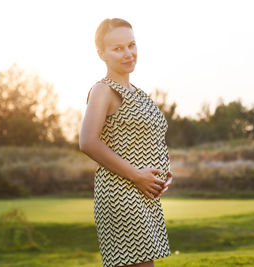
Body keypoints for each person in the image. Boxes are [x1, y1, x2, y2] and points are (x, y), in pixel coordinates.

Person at [79, 18, 173, 267]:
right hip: (122, 193)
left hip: (143, 193)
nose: (128, 53)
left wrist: (163, 174)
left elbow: (149, 140)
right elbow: (88, 141)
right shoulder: (103, 90)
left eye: (131, 45)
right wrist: (136, 176)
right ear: (101, 53)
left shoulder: (138, 93)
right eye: (118, 48)